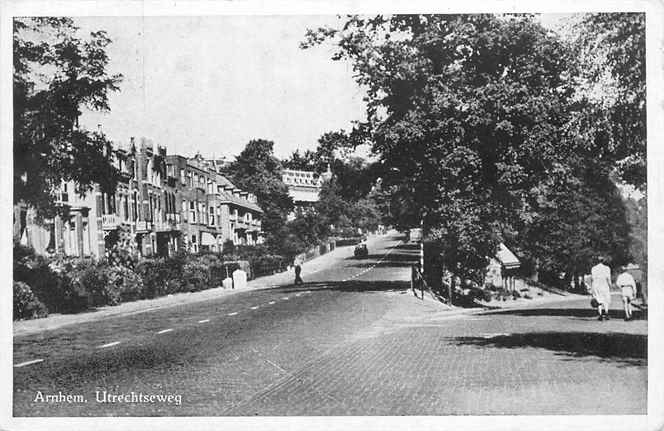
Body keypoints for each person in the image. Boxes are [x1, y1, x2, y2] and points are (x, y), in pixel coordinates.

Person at [590, 256, 612, 320]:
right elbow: (608, 278)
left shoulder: (593, 268)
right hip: (604, 284)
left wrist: (592, 288)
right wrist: (610, 285)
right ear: (603, 261)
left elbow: (592, 278)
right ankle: (606, 313)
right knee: (605, 299)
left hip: (596, 285)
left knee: (598, 299)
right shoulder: (607, 268)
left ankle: (600, 314)